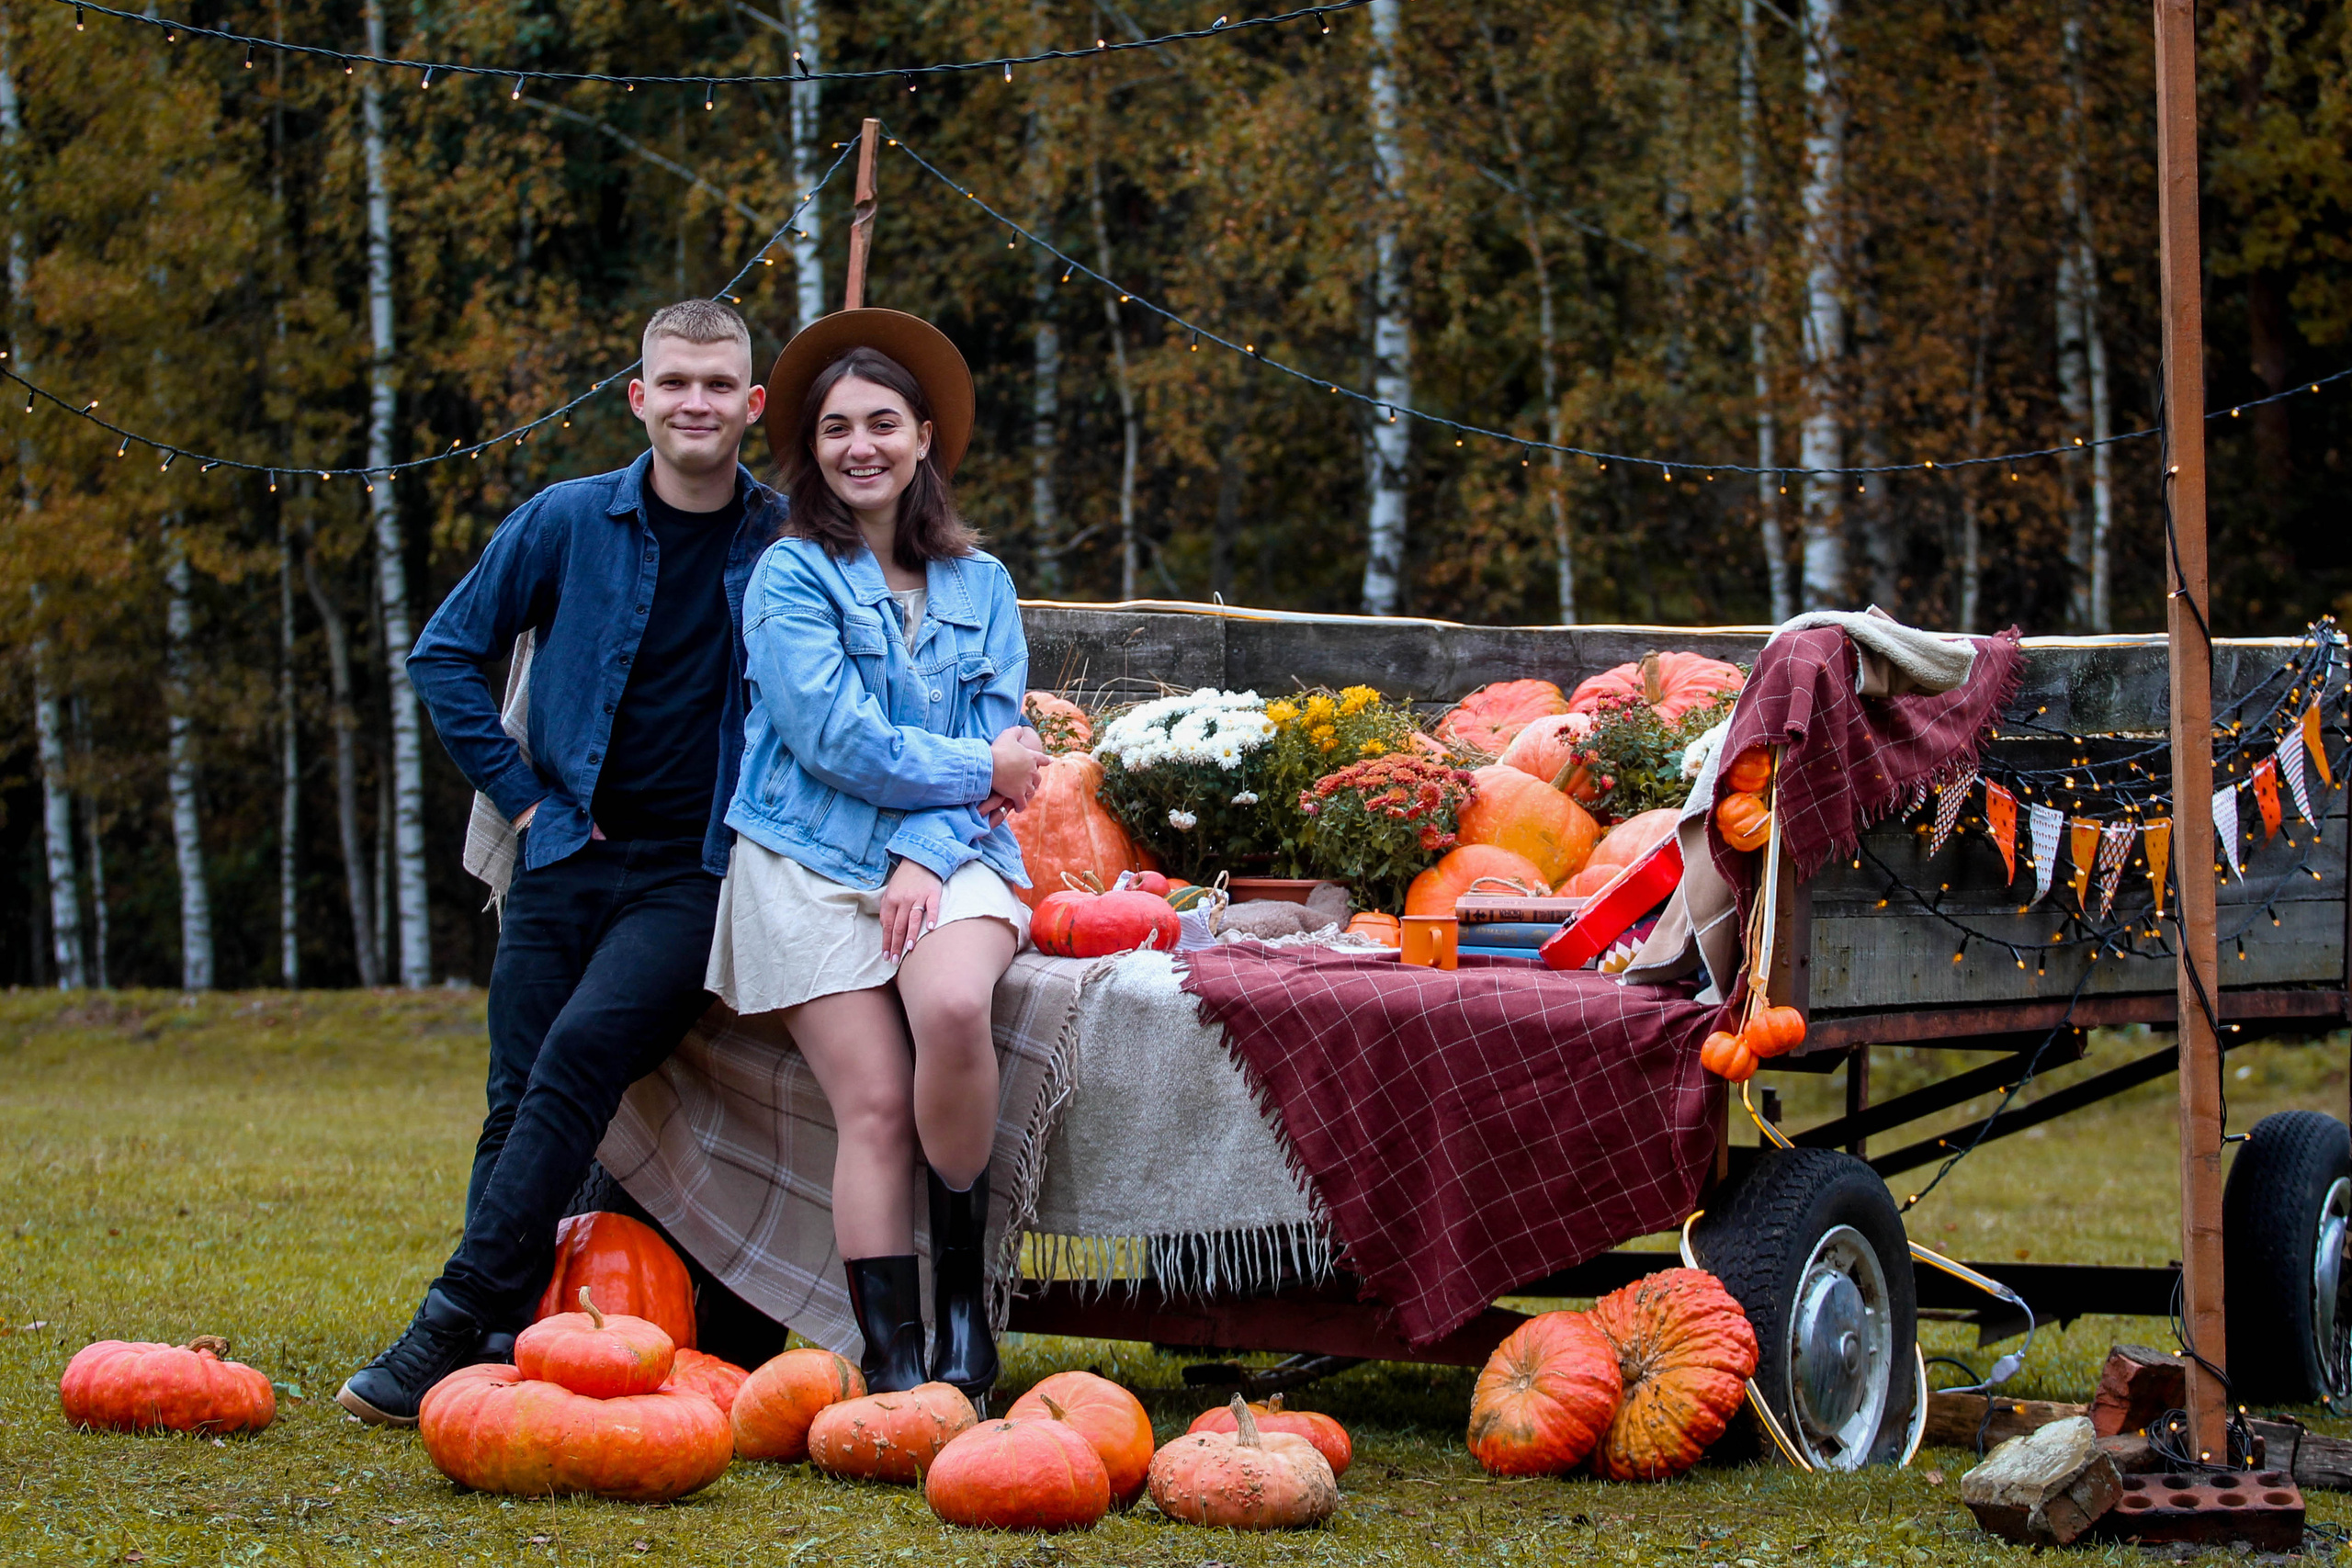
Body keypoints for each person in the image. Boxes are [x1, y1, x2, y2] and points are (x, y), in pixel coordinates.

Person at [335, 299, 783, 1426]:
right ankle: (504, 1334)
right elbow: (444, 653)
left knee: (580, 1055)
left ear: (753, 404)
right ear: (639, 397)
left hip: (696, 870)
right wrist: (523, 797)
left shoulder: (784, 545)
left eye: (718, 385)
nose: (696, 403)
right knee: (512, 1096)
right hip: (566, 851)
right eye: (673, 382)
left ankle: (447, 1322)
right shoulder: (567, 521)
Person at [711, 309, 1043, 1400]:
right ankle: (897, 1366)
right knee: (872, 1102)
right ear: (811, 448)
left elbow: (1004, 758)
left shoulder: (981, 586)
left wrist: (925, 854)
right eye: (837, 427)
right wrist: (976, 773)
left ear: (923, 439)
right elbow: (833, 739)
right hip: (803, 859)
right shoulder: (789, 576)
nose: (861, 445)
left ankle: (964, 1316)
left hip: (945, 858)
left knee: (951, 1008)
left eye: (883, 424)